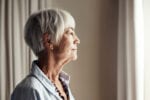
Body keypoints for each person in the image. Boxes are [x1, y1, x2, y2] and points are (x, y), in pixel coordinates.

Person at [11, 8, 80, 100]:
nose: (77, 40)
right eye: (70, 33)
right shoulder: (29, 89)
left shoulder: (62, 84)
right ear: (48, 41)